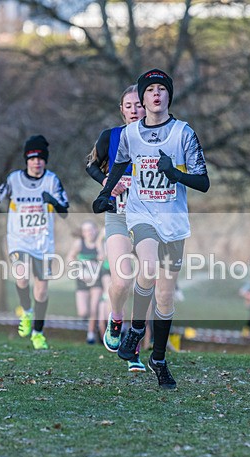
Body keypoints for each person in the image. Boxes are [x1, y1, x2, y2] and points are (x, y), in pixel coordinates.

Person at [93, 68, 210, 389]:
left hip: (173, 222)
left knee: (166, 295)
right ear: (142, 99)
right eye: (150, 90)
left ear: (169, 96)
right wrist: (104, 194)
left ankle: (158, 358)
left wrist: (176, 174)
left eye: (162, 89)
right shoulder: (130, 135)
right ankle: (134, 329)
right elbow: (116, 164)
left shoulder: (184, 133)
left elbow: (203, 182)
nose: (156, 94)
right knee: (146, 265)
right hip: (141, 215)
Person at [0, 135, 69, 350]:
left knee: (41, 291)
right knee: (20, 276)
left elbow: (64, 213)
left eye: (40, 158)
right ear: (26, 160)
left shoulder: (52, 180)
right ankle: (26, 311)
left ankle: (38, 333)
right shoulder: (14, 179)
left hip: (43, 243)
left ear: (45, 161)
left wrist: (53, 201)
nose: (36, 162)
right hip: (19, 239)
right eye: (32, 158)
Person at [85, 84, 146, 370]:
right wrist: (108, 183)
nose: (134, 110)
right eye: (129, 106)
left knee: (146, 284)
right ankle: (116, 318)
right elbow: (91, 165)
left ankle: (132, 349)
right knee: (122, 280)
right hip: (119, 215)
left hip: (150, 219)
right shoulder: (110, 136)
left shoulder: (160, 138)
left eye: (139, 104)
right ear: (122, 110)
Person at [66, 220, 103, 344]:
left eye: (91, 230)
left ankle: (91, 334)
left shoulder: (99, 244)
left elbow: (104, 257)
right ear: (82, 233)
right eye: (86, 230)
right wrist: (79, 270)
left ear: (95, 230)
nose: (89, 233)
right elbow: (69, 258)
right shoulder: (79, 244)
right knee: (83, 312)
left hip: (97, 280)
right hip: (82, 280)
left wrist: (99, 257)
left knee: (94, 308)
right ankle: (93, 327)